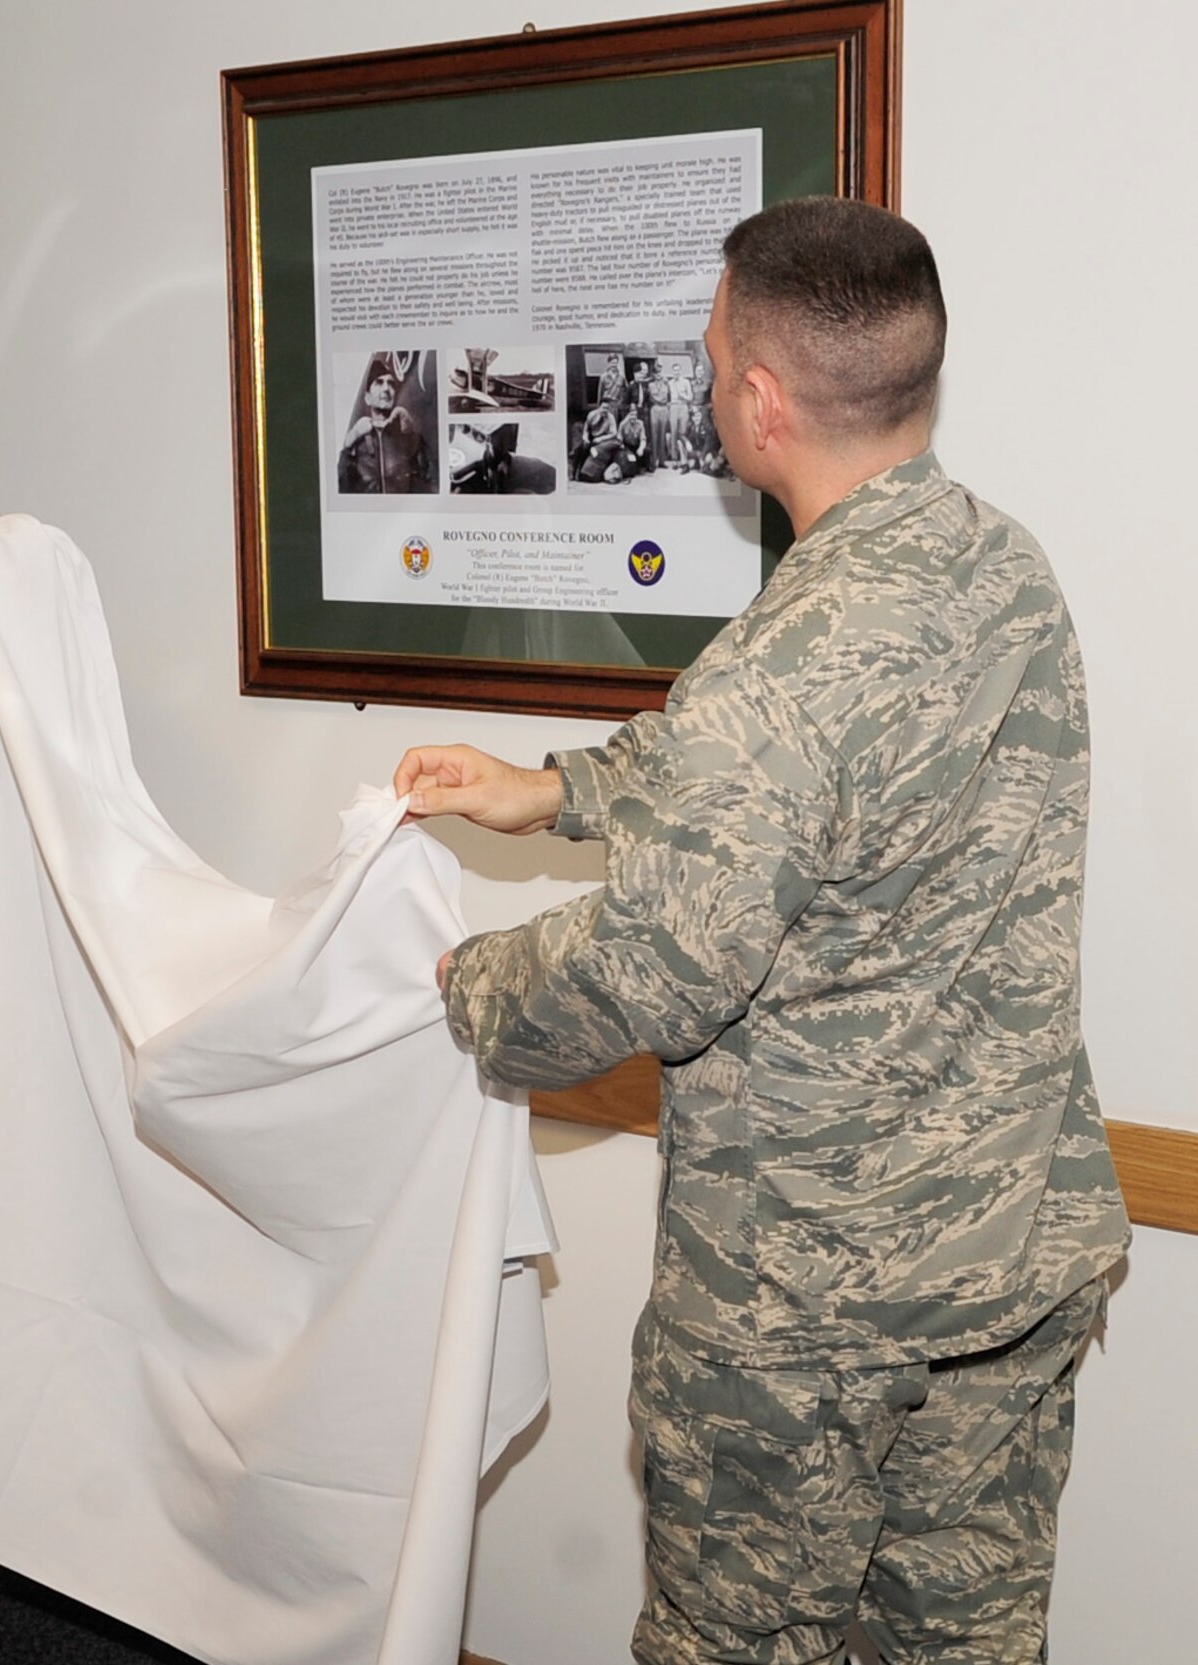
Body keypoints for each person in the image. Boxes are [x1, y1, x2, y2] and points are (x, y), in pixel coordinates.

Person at [394, 198, 1129, 1664]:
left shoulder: (787, 662)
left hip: (808, 1311)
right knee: (961, 1646)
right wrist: (560, 791)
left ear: (763, 399)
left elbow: (656, 959)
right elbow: (816, 784)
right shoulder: (1000, 566)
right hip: (1008, 1251)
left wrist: (469, 989)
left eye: (716, 348)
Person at [337, 359, 434, 493]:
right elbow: (342, 486)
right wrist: (350, 440)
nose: (386, 389)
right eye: (379, 382)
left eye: (391, 384)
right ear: (367, 398)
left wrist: (412, 436)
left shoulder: (405, 435)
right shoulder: (357, 441)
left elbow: (430, 479)